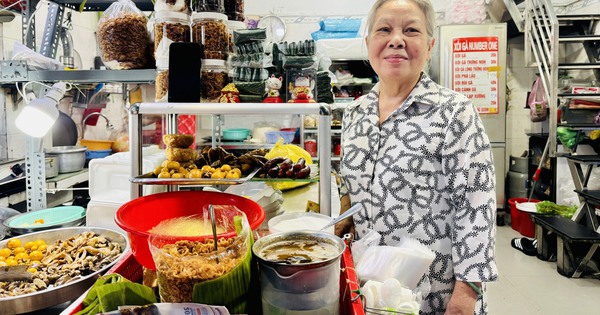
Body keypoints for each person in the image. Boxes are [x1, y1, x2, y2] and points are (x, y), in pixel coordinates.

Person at [334, 0, 499, 314]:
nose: (396, 39)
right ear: (369, 44)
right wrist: (344, 214)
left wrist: (467, 294)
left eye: (410, 30)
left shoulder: (454, 113)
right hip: (371, 288)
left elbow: (478, 207)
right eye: (384, 29)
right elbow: (352, 183)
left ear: (429, 45)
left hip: (436, 293)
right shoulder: (356, 113)